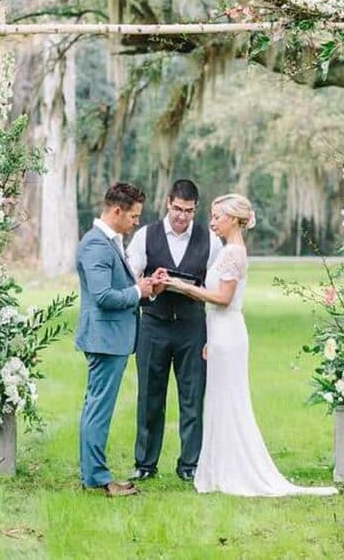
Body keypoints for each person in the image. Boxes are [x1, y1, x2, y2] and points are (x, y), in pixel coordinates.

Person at [163, 193, 337, 497]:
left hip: (229, 333)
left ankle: (236, 470)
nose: (212, 221)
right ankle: (219, 468)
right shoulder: (228, 251)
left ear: (233, 219)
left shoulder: (233, 254)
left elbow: (223, 298)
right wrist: (207, 337)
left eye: (217, 216)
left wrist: (181, 287)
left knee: (231, 401)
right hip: (219, 332)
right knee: (217, 401)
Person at [125, 179, 222, 482]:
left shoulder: (211, 241)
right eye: (178, 209)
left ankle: (190, 464)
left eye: (189, 211)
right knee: (150, 396)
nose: (182, 216)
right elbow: (131, 277)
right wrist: (152, 283)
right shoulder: (145, 236)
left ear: (196, 209)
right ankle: (145, 463)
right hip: (153, 324)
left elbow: (218, 290)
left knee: (192, 397)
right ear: (168, 203)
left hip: (193, 328)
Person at [74, 182, 163, 497]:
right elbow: (102, 297)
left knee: (95, 408)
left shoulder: (108, 241)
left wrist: (144, 288)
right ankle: (98, 478)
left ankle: (93, 475)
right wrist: (138, 291)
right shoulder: (97, 245)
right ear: (117, 211)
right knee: (98, 410)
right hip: (105, 339)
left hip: (110, 337)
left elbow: (116, 288)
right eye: (134, 216)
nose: (137, 222)